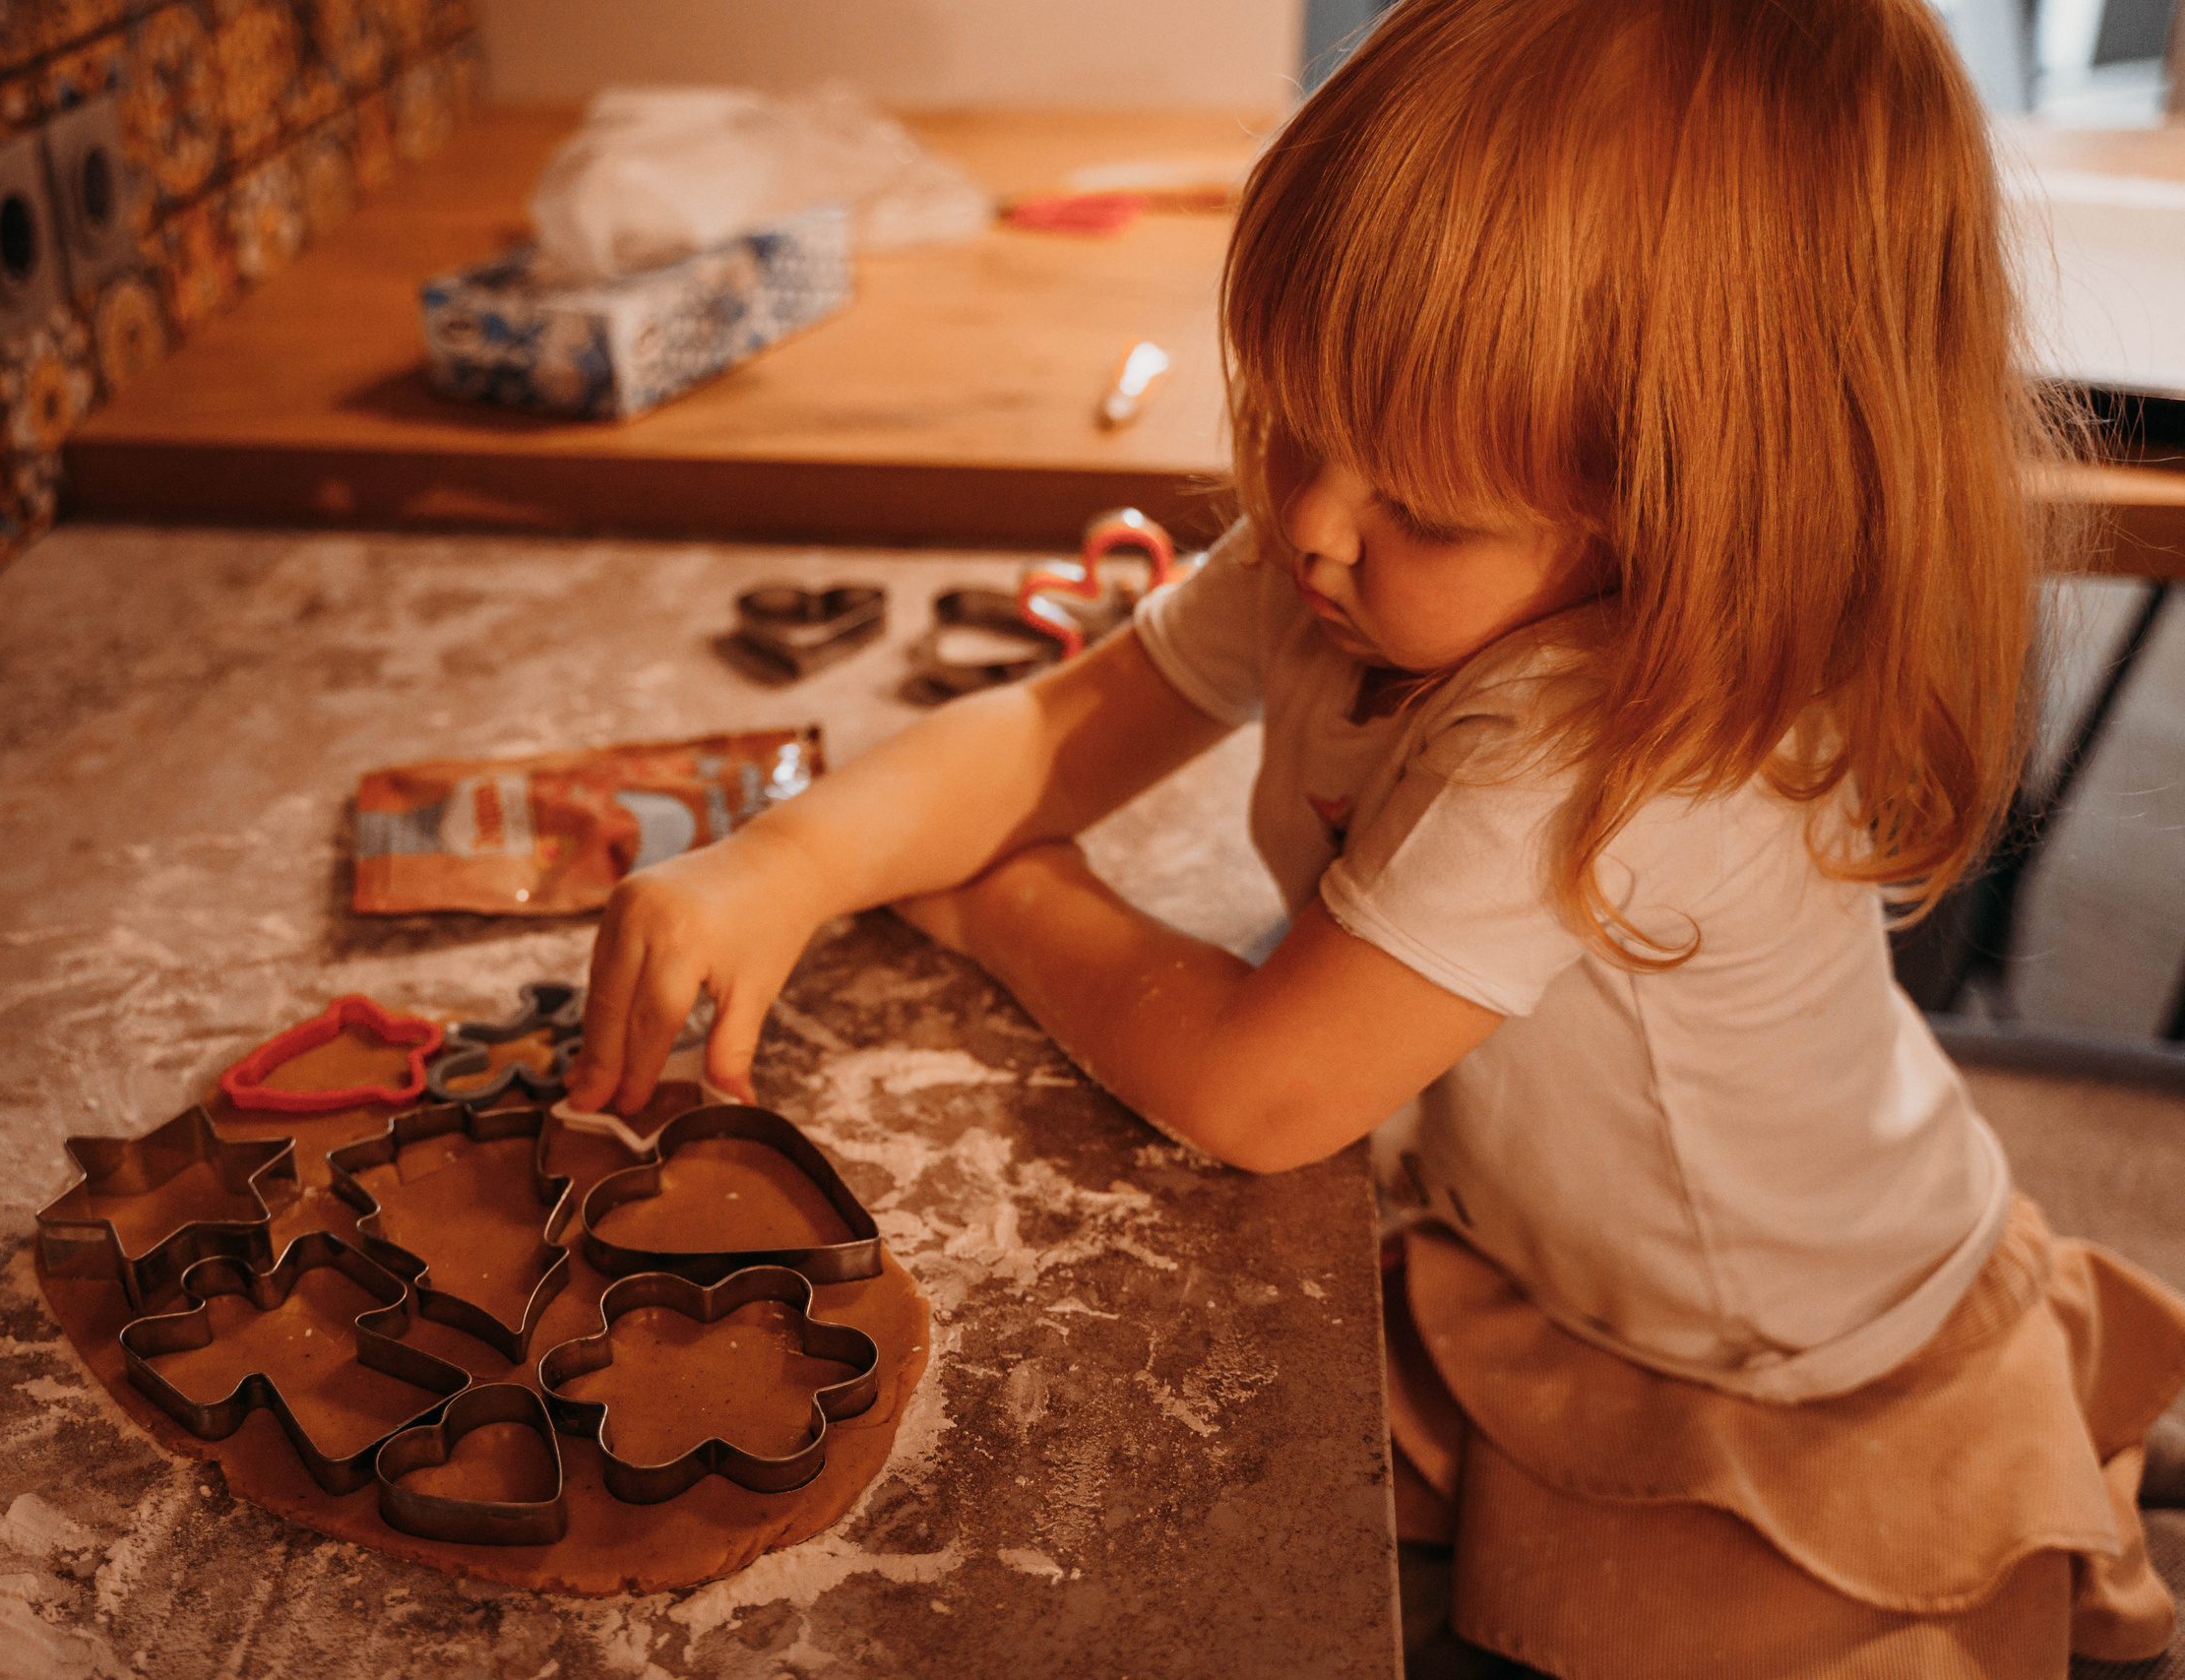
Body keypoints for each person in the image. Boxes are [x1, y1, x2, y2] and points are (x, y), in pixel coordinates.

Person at [563, 0, 2185, 1671]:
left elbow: (1257, 1090)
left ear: (1693, 514)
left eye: (1422, 504)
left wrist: (1007, 895)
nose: (1311, 523)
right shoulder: (1355, 541)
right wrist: (789, 859)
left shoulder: (1604, 741)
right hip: (1537, 1244)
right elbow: (1062, 725)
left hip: (1784, 1359)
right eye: (1297, 422)